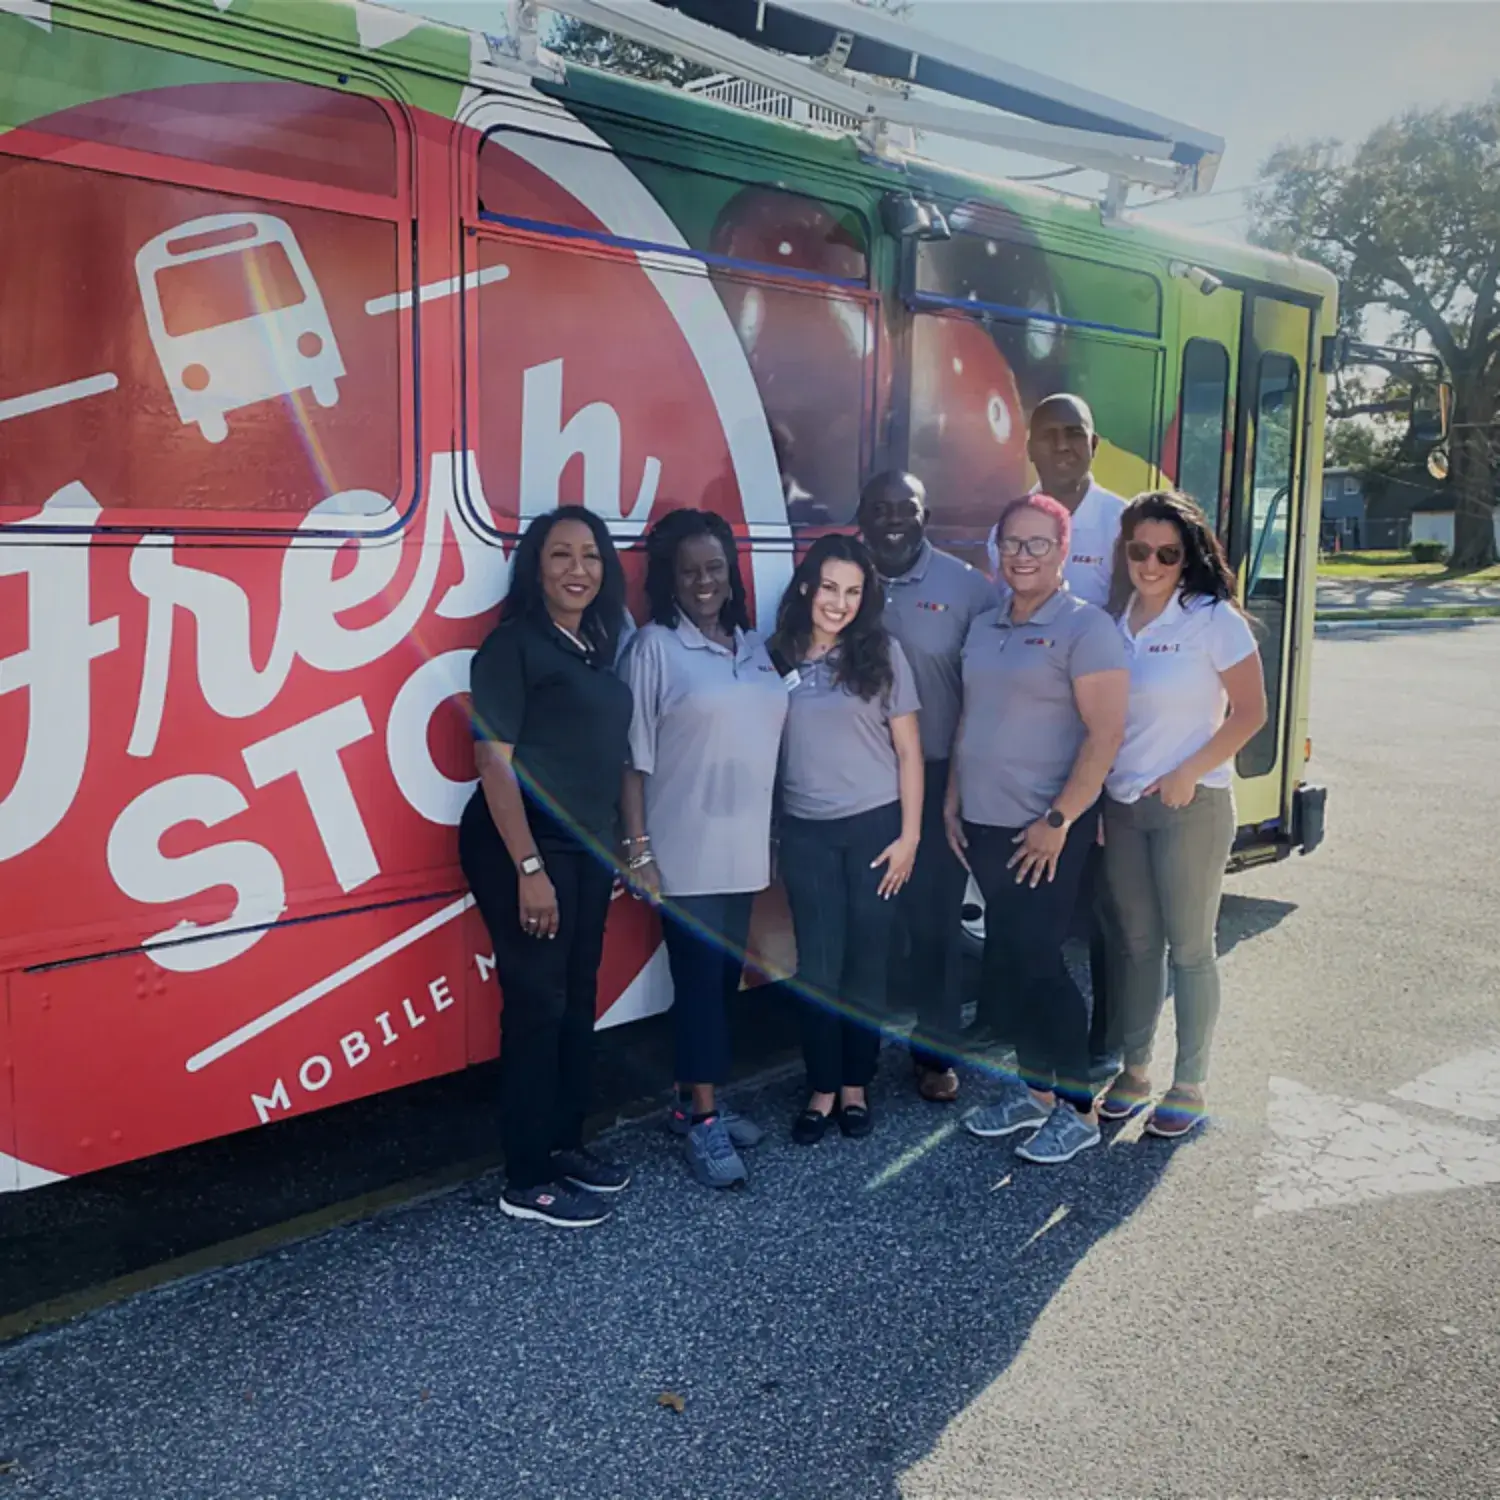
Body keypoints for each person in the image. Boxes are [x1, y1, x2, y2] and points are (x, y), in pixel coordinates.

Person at [460, 506, 634, 1229]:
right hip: (525, 847)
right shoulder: (513, 647)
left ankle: (565, 1144)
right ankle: (525, 1176)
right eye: (560, 555)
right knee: (536, 1008)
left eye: (590, 556)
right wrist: (529, 865)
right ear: (535, 569)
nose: (577, 569)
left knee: (575, 998)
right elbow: (491, 764)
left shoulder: (590, 647)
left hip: (584, 849)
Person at [949, 494, 1128, 1165]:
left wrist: (1059, 819)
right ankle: (1035, 1094)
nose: (1022, 556)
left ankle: (1078, 1108)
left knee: (1038, 964)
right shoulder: (988, 622)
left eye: (1037, 545)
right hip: (986, 823)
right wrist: (953, 797)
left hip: (1045, 831)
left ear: (1063, 551)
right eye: (1011, 543)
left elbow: (1105, 734)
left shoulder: (1087, 629)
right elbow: (972, 716)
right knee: (1015, 963)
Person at [620, 509, 788, 1188]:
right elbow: (631, 759)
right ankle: (710, 1123)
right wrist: (637, 850)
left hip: (744, 847)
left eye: (714, 567)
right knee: (699, 986)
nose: (702, 581)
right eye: (687, 570)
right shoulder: (654, 647)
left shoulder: (751, 645)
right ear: (668, 577)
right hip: (683, 847)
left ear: (731, 571)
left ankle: (692, 1104)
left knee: (720, 982)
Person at [1097, 490, 1267, 1138]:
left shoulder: (1211, 618)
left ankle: (1189, 1082)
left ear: (1186, 556)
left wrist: (1186, 773)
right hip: (1125, 806)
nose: (1151, 563)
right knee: (1137, 945)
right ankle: (1134, 1070)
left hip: (1191, 805)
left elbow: (1251, 713)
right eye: (1139, 549)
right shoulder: (1114, 620)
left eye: (1167, 553)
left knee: (1191, 948)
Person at [984, 393, 1127, 1078]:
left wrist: (1079, 800)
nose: (1064, 445)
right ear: (1031, 446)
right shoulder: (1013, 525)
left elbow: (1123, 633)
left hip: (1099, 747)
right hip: (1033, 759)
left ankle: (1097, 1050)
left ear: (1094, 445)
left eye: (1078, 433)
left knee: (1095, 915)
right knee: (1027, 935)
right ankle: (1034, 1070)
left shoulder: (1125, 520)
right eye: (1051, 434)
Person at [771, 534, 923, 1144]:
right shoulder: (778, 654)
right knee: (818, 966)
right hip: (806, 831)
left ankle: (857, 1084)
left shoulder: (882, 653)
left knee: (866, 964)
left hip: (875, 829)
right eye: (830, 587)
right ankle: (823, 1085)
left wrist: (910, 836)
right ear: (808, 585)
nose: (840, 602)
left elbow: (909, 751)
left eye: (854, 591)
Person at [857, 471, 994, 1104]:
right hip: (857, 780)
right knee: (864, 926)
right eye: (879, 509)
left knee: (935, 923)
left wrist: (966, 782)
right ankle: (848, 1063)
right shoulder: (840, 580)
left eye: (904, 509)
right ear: (861, 515)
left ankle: (934, 1055)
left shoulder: (968, 591)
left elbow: (994, 689)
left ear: (925, 514)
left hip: (936, 776)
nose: (891, 520)